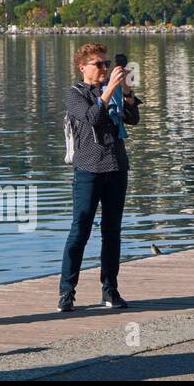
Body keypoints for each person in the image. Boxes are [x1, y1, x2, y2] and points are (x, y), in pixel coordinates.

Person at [59, 43, 141, 312]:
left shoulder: (113, 90)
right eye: (99, 64)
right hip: (88, 170)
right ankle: (67, 292)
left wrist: (126, 90)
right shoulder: (75, 94)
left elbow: (133, 118)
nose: (105, 68)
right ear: (83, 67)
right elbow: (92, 117)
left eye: (107, 64)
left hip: (116, 167)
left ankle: (110, 290)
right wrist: (108, 92)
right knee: (79, 230)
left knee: (112, 232)